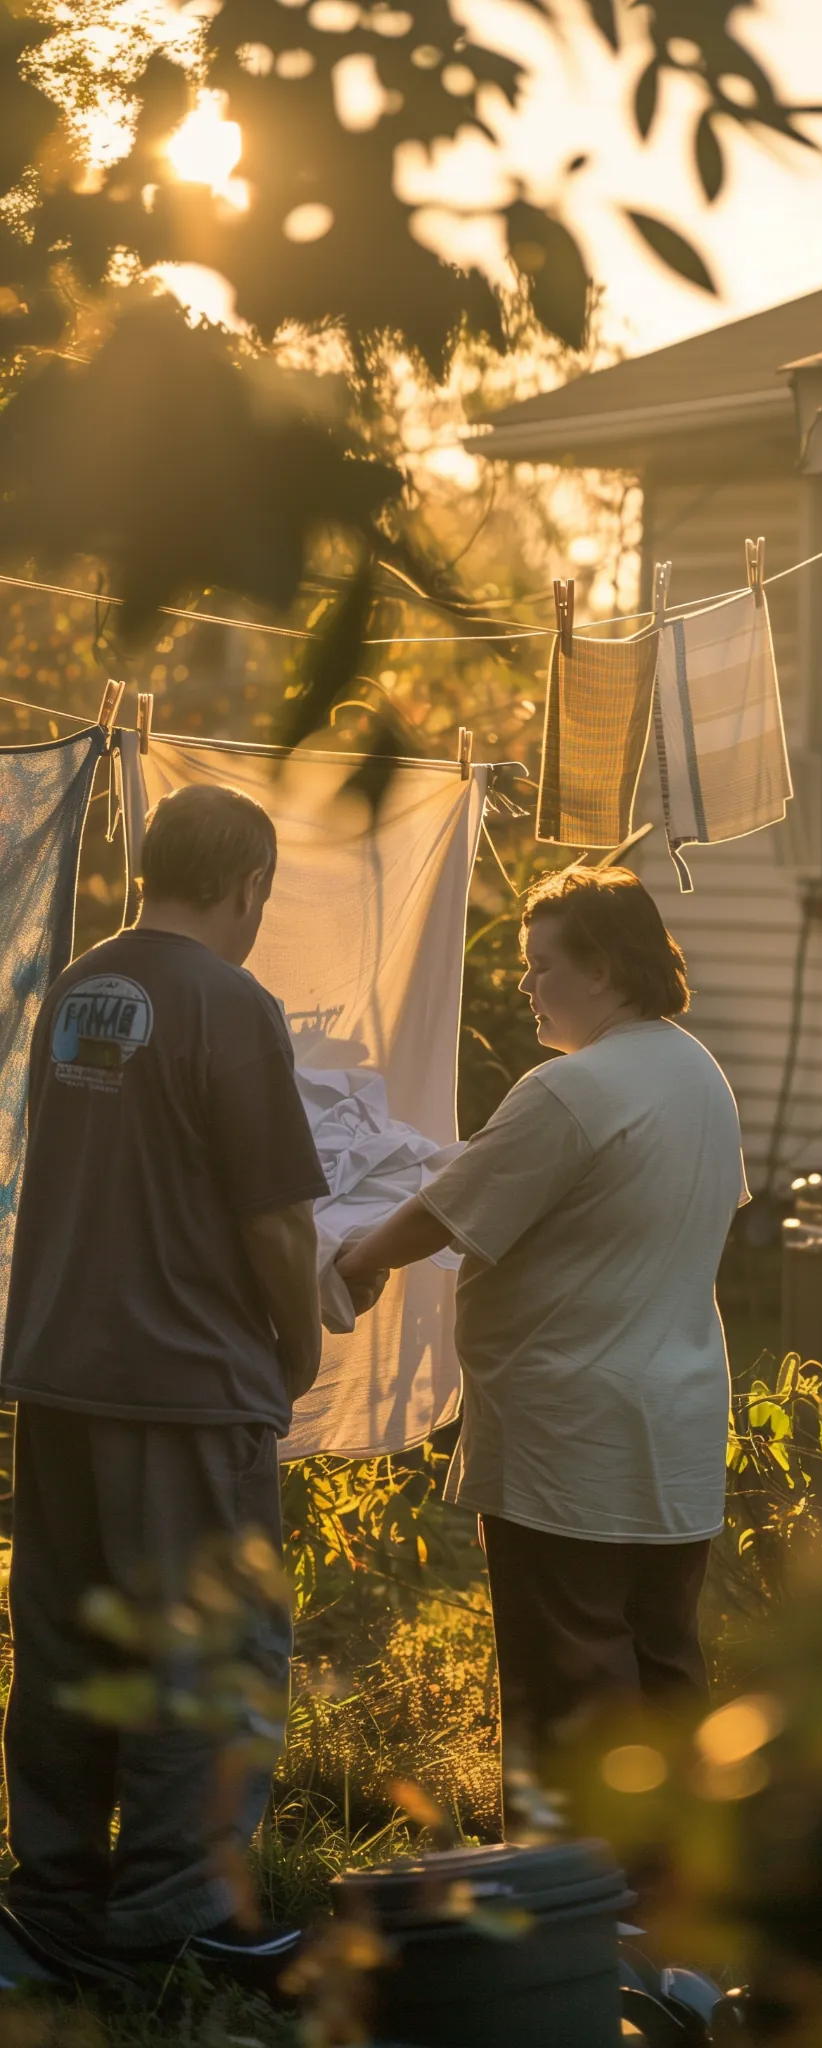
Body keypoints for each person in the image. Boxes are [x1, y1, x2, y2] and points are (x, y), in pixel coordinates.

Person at [0, 783, 328, 1984]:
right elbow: (281, 1222)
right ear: (250, 886)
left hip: (60, 1367)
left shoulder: (80, 986)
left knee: (70, 1645)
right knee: (210, 1652)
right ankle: (179, 1920)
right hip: (187, 1377)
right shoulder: (231, 1002)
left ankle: (54, 1908)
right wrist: (294, 1348)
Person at [337, 867, 748, 1810]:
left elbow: (443, 1212)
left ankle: (574, 1908)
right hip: (675, 1431)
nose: (526, 987)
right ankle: (673, 1904)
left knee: (570, 1685)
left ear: (601, 967)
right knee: (661, 1669)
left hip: (569, 1436)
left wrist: (349, 1261)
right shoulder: (695, 1072)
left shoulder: (570, 1088)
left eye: (541, 966)